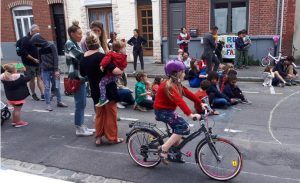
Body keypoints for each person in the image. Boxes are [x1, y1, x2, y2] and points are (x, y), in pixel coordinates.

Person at [154, 60, 206, 164]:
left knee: (180, 131)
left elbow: (188, 93)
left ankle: (174, 154)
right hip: (162, 111)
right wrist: (190, 115)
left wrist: (200, 103)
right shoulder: (168, 86)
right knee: (183, 127)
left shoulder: (176, 84)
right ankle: (164, 149)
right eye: (183, 71)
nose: (185, 73)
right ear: (176, 73)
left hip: (168, 111)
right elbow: (180, 101)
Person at [79, 31, 123, 145]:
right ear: (97, 43)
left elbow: (83, 74)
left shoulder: (83, 59)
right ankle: (112, 137)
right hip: (108, 89)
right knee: (111, 114)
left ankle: (98, 138)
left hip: (95, 90)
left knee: (99, 114)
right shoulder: (102, 57)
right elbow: (115, 71)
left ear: (87, 45)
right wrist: (121, 69)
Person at [65, 21, 94, 136]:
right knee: (80, 103)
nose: (81, 36)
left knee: (82, 103)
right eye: (79, 34)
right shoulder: (69, 44)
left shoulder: (75, 43)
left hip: (80, 77)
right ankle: (79, 128)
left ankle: (81, 125)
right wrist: (94, 54)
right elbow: (80, 57)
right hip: (76, 77)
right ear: (72, 33)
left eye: (81, 34)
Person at [31, 27, 67, 111]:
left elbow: (56, 58)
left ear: (39, 40)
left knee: (57, 86)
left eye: (36, 43)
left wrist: (56, 70)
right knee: (47, 87)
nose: (35, 45)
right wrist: (40, 70)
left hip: (54, 70)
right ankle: (48, 104)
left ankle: (59, 102)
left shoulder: (51, 46)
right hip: (45, 71)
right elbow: (40, 60)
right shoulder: (39, 48)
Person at [96, 39, 127, 107]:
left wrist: (102, 65)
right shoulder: (123, 56)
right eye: (124, 48)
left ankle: (103, 98)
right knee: (110, 84)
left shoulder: (111, 54)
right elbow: (124, 65)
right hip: (117, 76)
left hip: (111, 75)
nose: (125, 49)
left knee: (101, 84)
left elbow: (106, 60)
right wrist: (121, 70)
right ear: (120, 49)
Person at [20, 24, 45, 101]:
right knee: (31, 79)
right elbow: (24, 52)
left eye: (39, 32)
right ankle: (33, 94)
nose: (38, 33)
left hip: (38, 63)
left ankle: (43, 94)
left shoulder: (38, 38)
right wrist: (33, 59)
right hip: (29, 64)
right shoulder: (25, 39)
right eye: (37, 32)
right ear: (32, 31)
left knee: (40, 78)